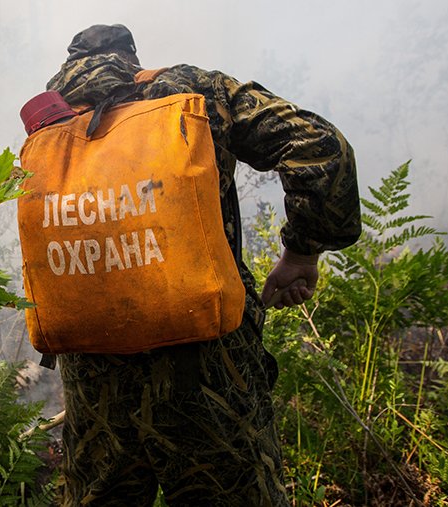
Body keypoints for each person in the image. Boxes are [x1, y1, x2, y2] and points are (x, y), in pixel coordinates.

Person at [43, 24, 361, 506]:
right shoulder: (196, 91)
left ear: (68, 70)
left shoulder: (47, 128)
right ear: (130, 59)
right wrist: (302, 251)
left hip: (94, 387)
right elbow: (320, 147)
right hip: (211, 374)